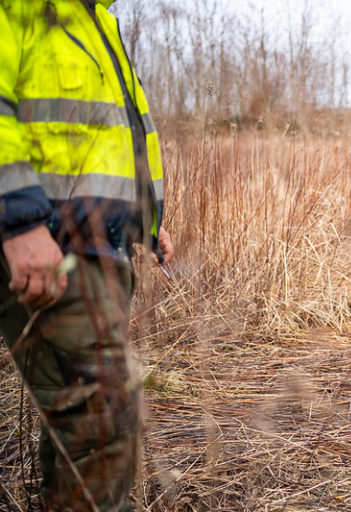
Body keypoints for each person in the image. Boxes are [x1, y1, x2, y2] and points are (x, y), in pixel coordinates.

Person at [0, 1, 172, 509]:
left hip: (93, 245)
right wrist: (19, 220)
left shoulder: (97, 18)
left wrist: (145, 220)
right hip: (48, 240)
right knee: (103, 422)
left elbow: (108, 139)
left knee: (83, 427)